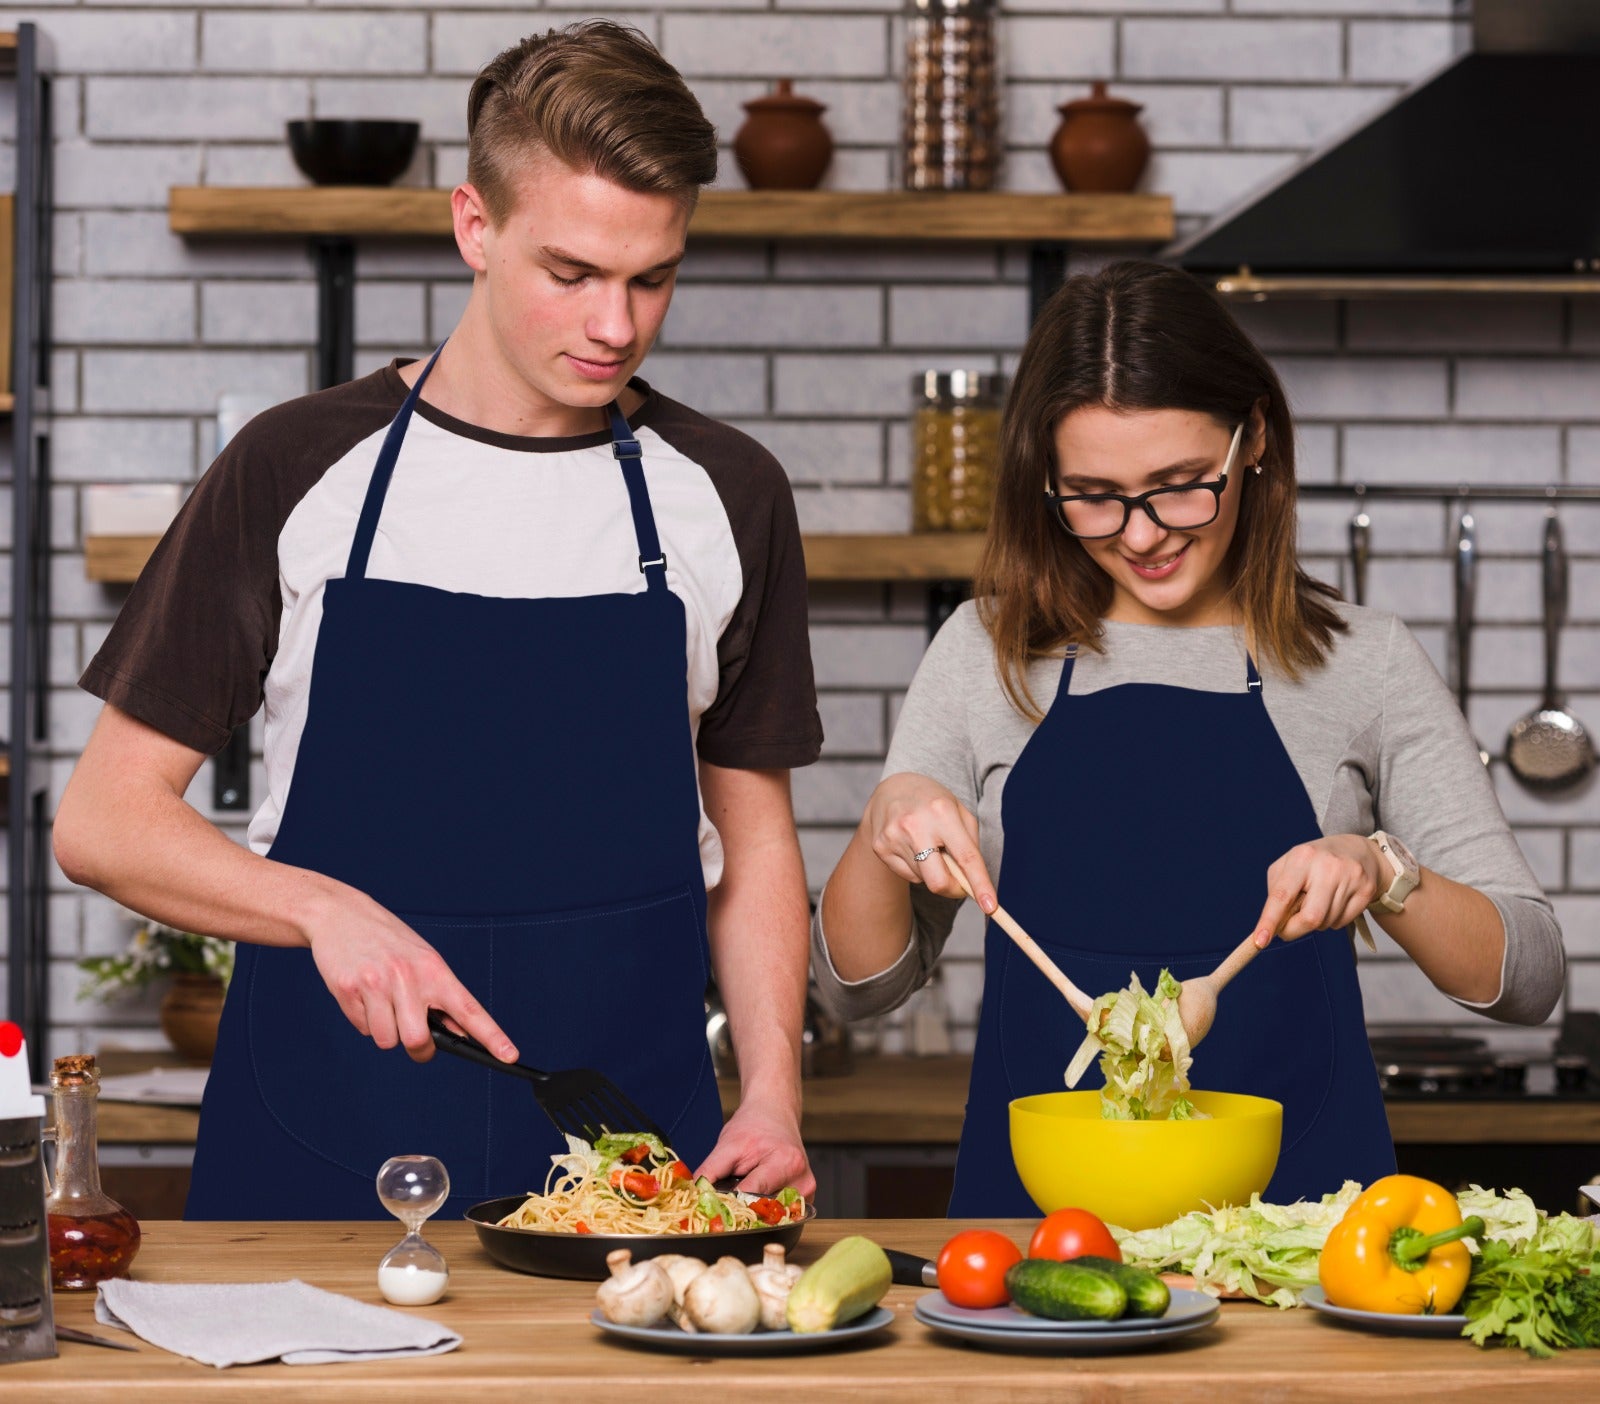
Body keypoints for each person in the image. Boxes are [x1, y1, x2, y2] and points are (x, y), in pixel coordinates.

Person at [54, 22, 821, 1219]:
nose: (615, 326)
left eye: (652, 277)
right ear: (474, 225)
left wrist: (772, 1091)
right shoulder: (297, 466)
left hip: (631, 1158)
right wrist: (323, 908)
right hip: (321, 1135)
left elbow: (756, 841)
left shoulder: (724, 489)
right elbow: (103, 821)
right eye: (570, 274)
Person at [812, 260, 1565, 1217]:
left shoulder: (1364, 664)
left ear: (1251, 439)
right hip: (1042, 1230)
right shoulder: (984, 653)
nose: (1142, 535)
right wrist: (885, 825)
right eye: (1092, 493)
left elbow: (1530, 978)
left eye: (1178, 486)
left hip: (1304, 1235)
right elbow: (855, 989)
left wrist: (1384, 873)